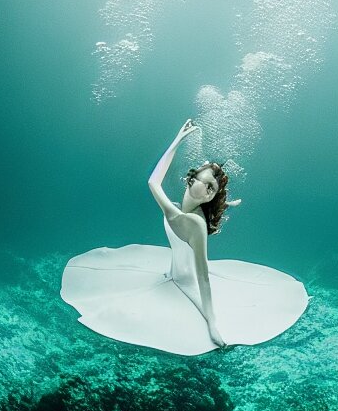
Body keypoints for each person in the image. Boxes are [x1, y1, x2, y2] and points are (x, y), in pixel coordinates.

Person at [60, 119, 309, 355]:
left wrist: (212, 322)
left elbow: (202, 276)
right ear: (191, 180)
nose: (210, 193)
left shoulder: (190, 221)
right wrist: (179, 142)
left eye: (214, 191)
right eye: (208, 185)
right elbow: (161, 185)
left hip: (188, 283)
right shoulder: (184, 209)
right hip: (171, 273)